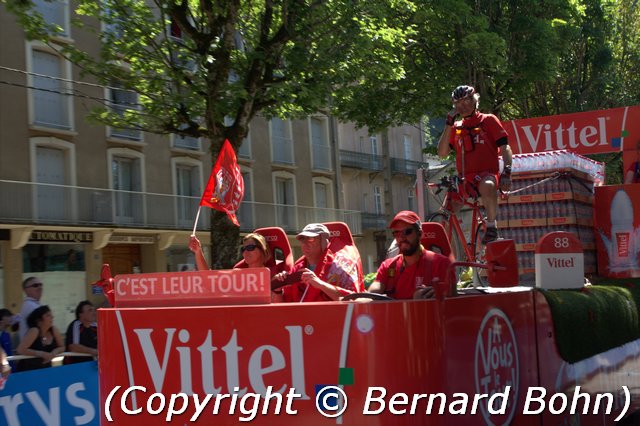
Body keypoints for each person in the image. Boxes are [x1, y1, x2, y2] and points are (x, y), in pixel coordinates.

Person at [437, 85, 513, 244]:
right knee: (445, 209)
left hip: (487, 174)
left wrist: (507, 172)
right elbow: (442, 153)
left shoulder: (489, 120)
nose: (461, 107)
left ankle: (492, 227)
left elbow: (505, 147)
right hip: (464, 179)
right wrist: (448, 125)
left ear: (474, 101)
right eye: (457, 103)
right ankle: (441, 244)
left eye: (465, 102)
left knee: (487, 185)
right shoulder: (457, 127)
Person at [369, 211, 456, 300]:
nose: (402, 237)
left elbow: (451, 299)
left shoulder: (441, 264)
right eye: (396, 233)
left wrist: (434, 295)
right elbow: (376, 287)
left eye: (407, 231)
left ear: (420, 234)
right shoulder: (387, 266)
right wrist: (367, 296)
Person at [272, 223, 363, 302]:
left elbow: (354, 300)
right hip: (301, 320)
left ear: (324, 242)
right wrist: (278, 290)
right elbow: (284, 308)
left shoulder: (340, 267)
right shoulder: (297, 269)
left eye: (311, 239)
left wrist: (320, 284)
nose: (305, 243)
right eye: (302, 239)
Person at [189, 233, 279, 275]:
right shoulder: (238, 274)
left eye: (250, 248)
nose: (245, 252)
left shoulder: (273, 274)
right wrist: (198, 251)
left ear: (263, 249)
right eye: (243, 249)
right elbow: (209, 279)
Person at [16, 305, 64, 371]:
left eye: (51, 315)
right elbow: (20, 349)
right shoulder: (34, 331)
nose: (52, 317)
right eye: (48, 315)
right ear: (39, 321)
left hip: (45, 370)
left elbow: (62, 347)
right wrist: (41, 354)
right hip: (28, 370)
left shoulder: (53, 330)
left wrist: (54, 352)